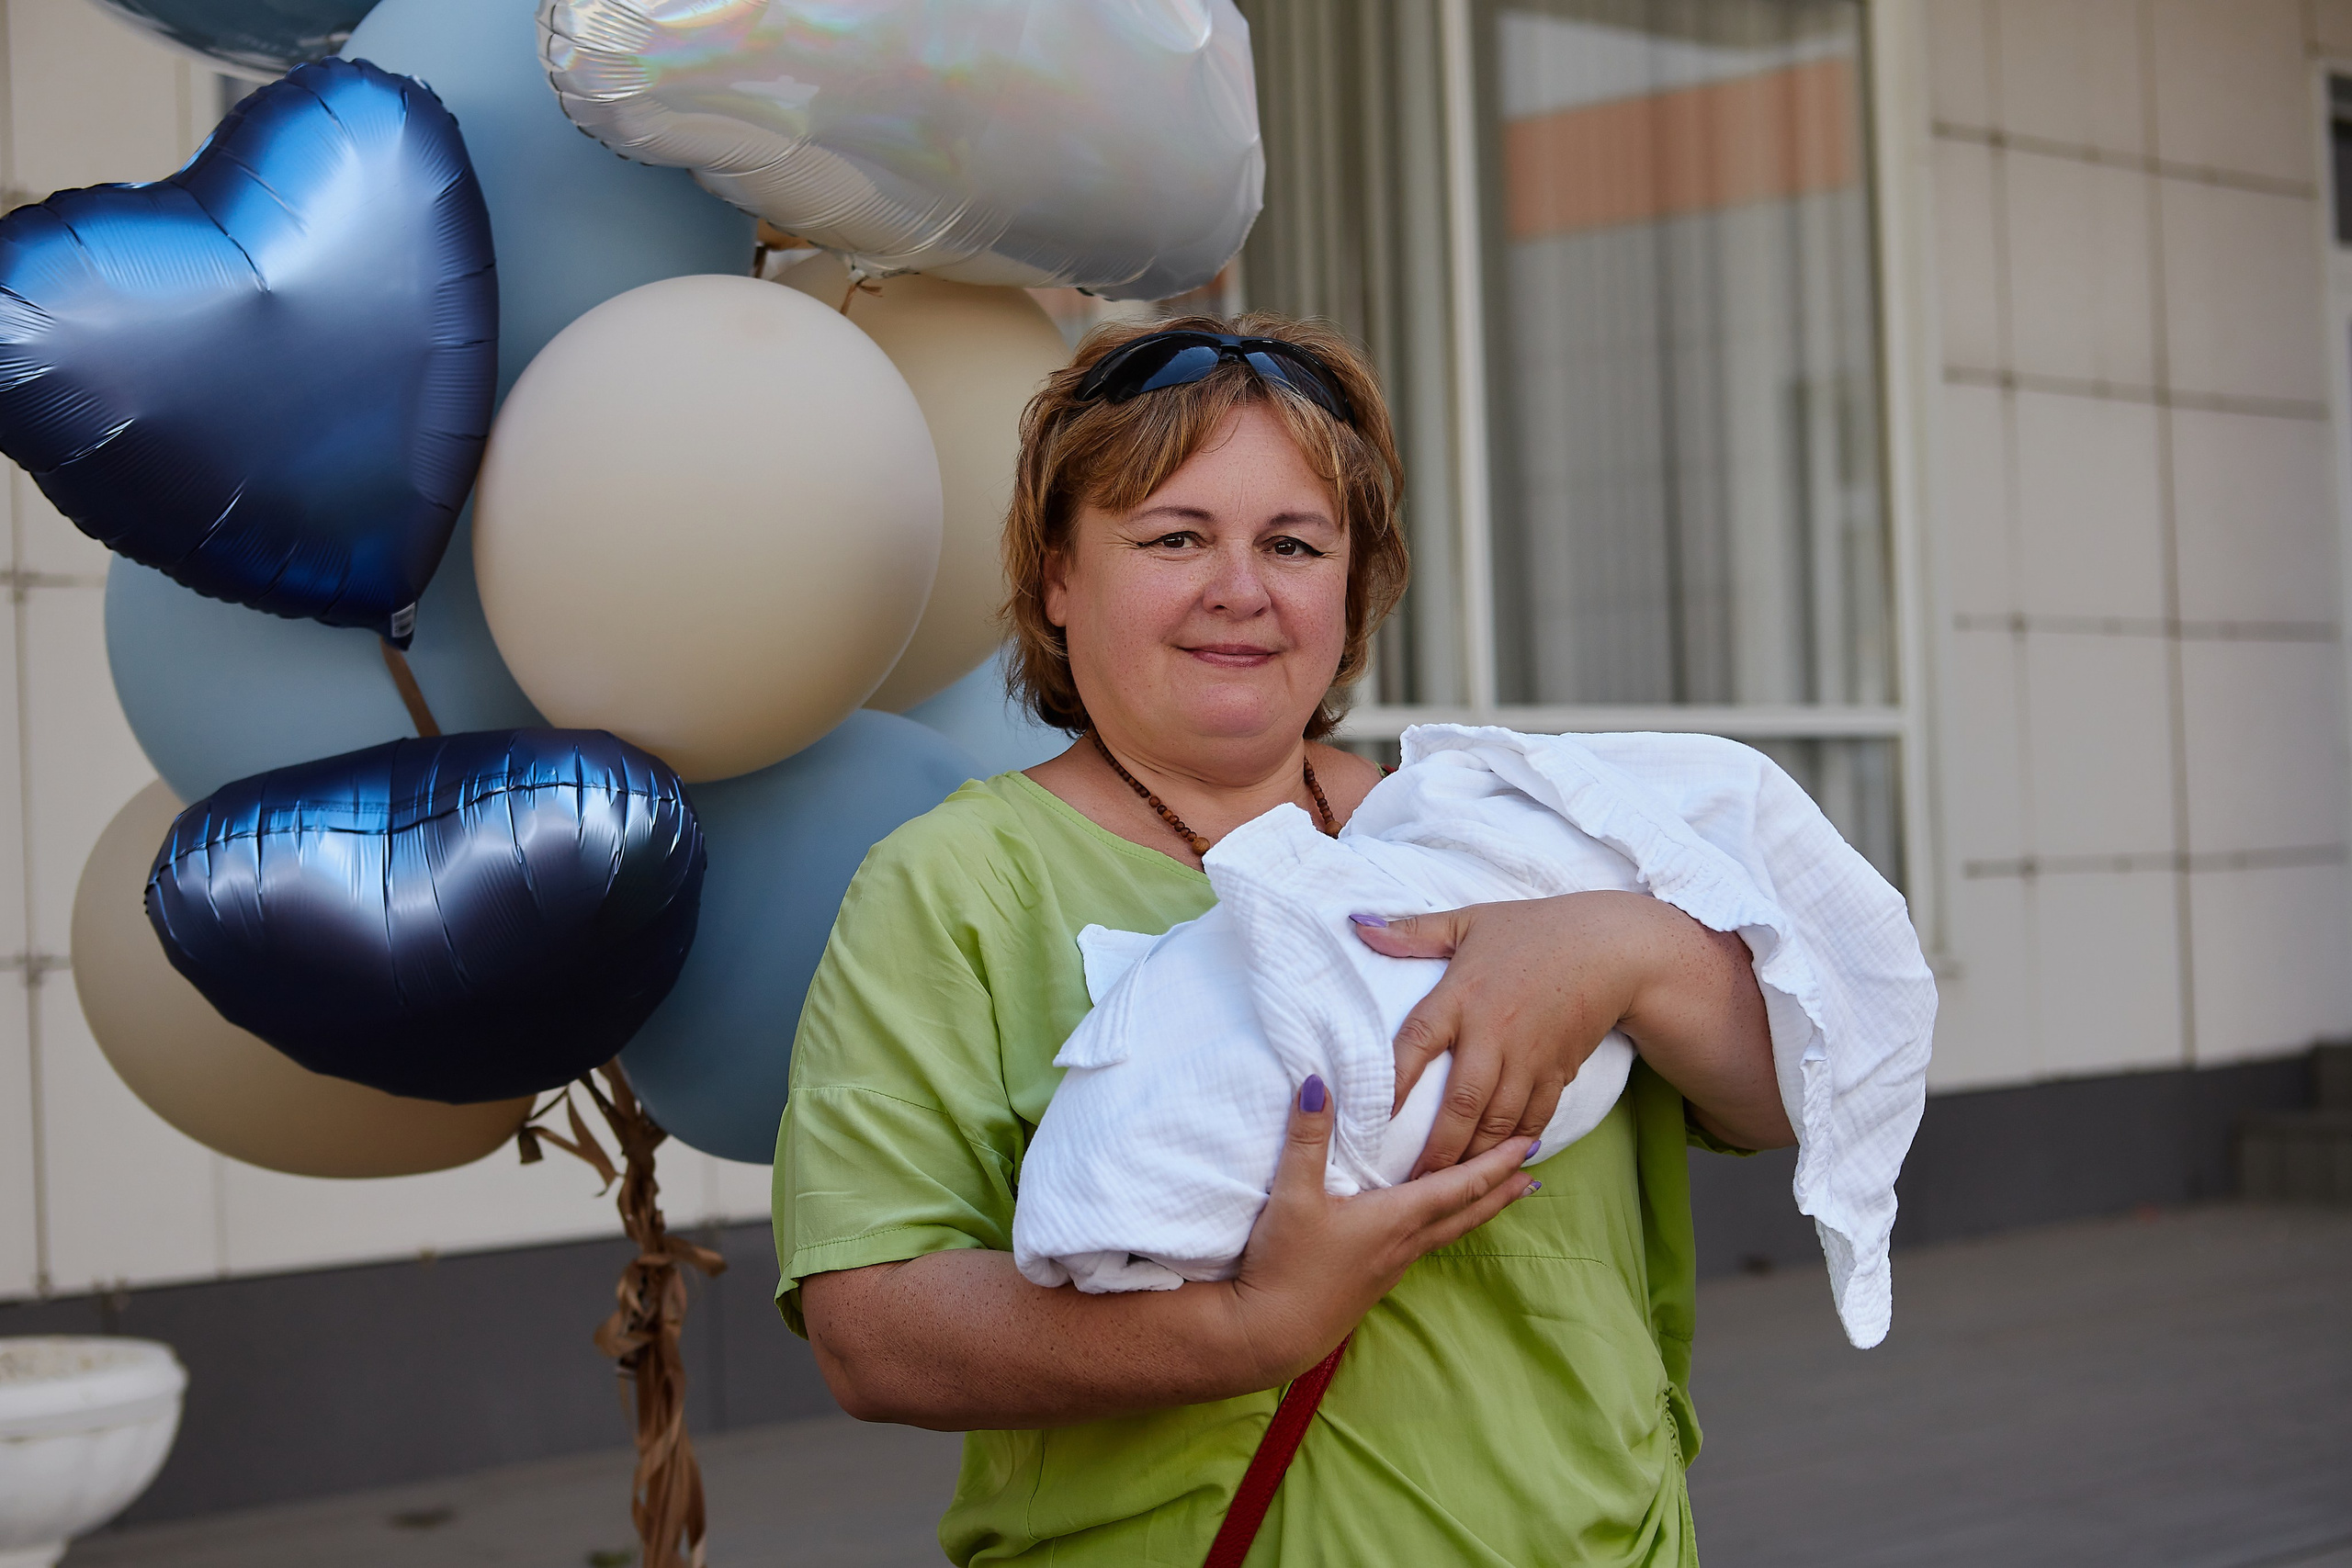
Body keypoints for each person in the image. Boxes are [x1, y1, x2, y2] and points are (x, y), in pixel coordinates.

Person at [774, 314, 1792, 1566]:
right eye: (1175, 537)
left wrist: (1632, 948)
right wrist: (1243, 1332)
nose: (1239, 590)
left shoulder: (1509, 833)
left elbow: (1795, 1095)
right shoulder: (958, 886)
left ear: (1352, 586)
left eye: (1293, 543)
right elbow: (870, 1329)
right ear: (1056, 576)